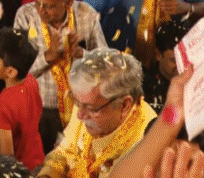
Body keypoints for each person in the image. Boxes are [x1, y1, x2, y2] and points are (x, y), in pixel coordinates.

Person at [13, 0, 107, 151]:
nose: (41, 10)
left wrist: (82, 55)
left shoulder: (86, 14)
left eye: (49, 6)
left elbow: (104, 62)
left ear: (69, 3)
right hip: (38, 109)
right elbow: (16, 70)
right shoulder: (25, 16)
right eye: (38, 2)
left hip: (80, 108)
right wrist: (48, 57)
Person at [37, 48, 157, 178]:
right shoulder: (86, 102)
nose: (79, 115)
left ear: (124, 105)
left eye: (91, 108)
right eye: (77, 103)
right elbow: (65, 151)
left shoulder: (148, 145)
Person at [0, 28, 45, 171]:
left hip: (21, 169)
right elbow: (22, 120)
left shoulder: (4, 104)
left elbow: (7, 159)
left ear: (11, 72)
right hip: (37, 158)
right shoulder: (31, 81)